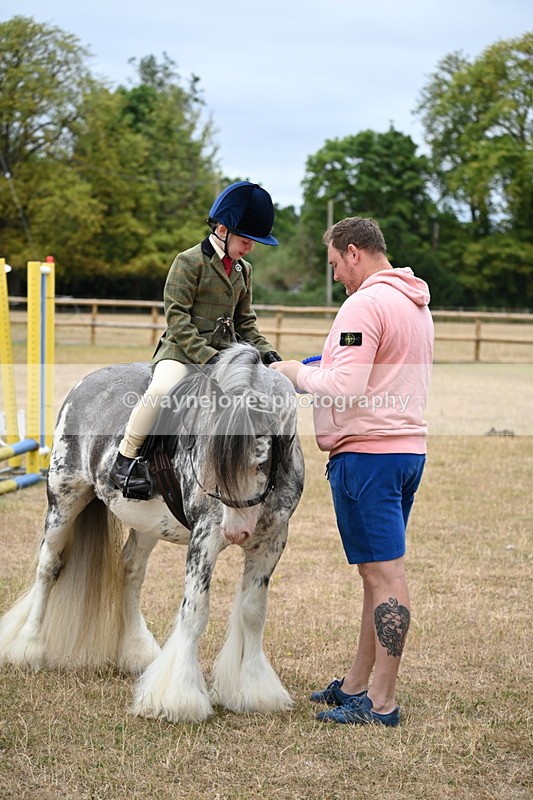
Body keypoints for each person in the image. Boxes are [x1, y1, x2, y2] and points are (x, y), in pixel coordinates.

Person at [270, 216, 434, 727]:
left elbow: (344, 386)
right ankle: (355, 685)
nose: (336, 275)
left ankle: (381, 703)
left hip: (369, 458)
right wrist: (321, 364)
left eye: (336, 264)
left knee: (385, 576)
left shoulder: (364, 303)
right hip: (404, 452)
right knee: (375, 573)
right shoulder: (414, 302)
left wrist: (293, 373)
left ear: (354, 252)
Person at [110, 181, 282, 499]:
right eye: (245, 241)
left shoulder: (244, 270)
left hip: (225, 356)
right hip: (182, 352)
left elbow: (245, 322)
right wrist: (207, 357)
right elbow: (177, 319)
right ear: (222, 230)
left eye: (252, 243)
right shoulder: (188, 262)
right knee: (161, 391)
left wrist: (268, 353)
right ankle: (126, 459)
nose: (249, 248)